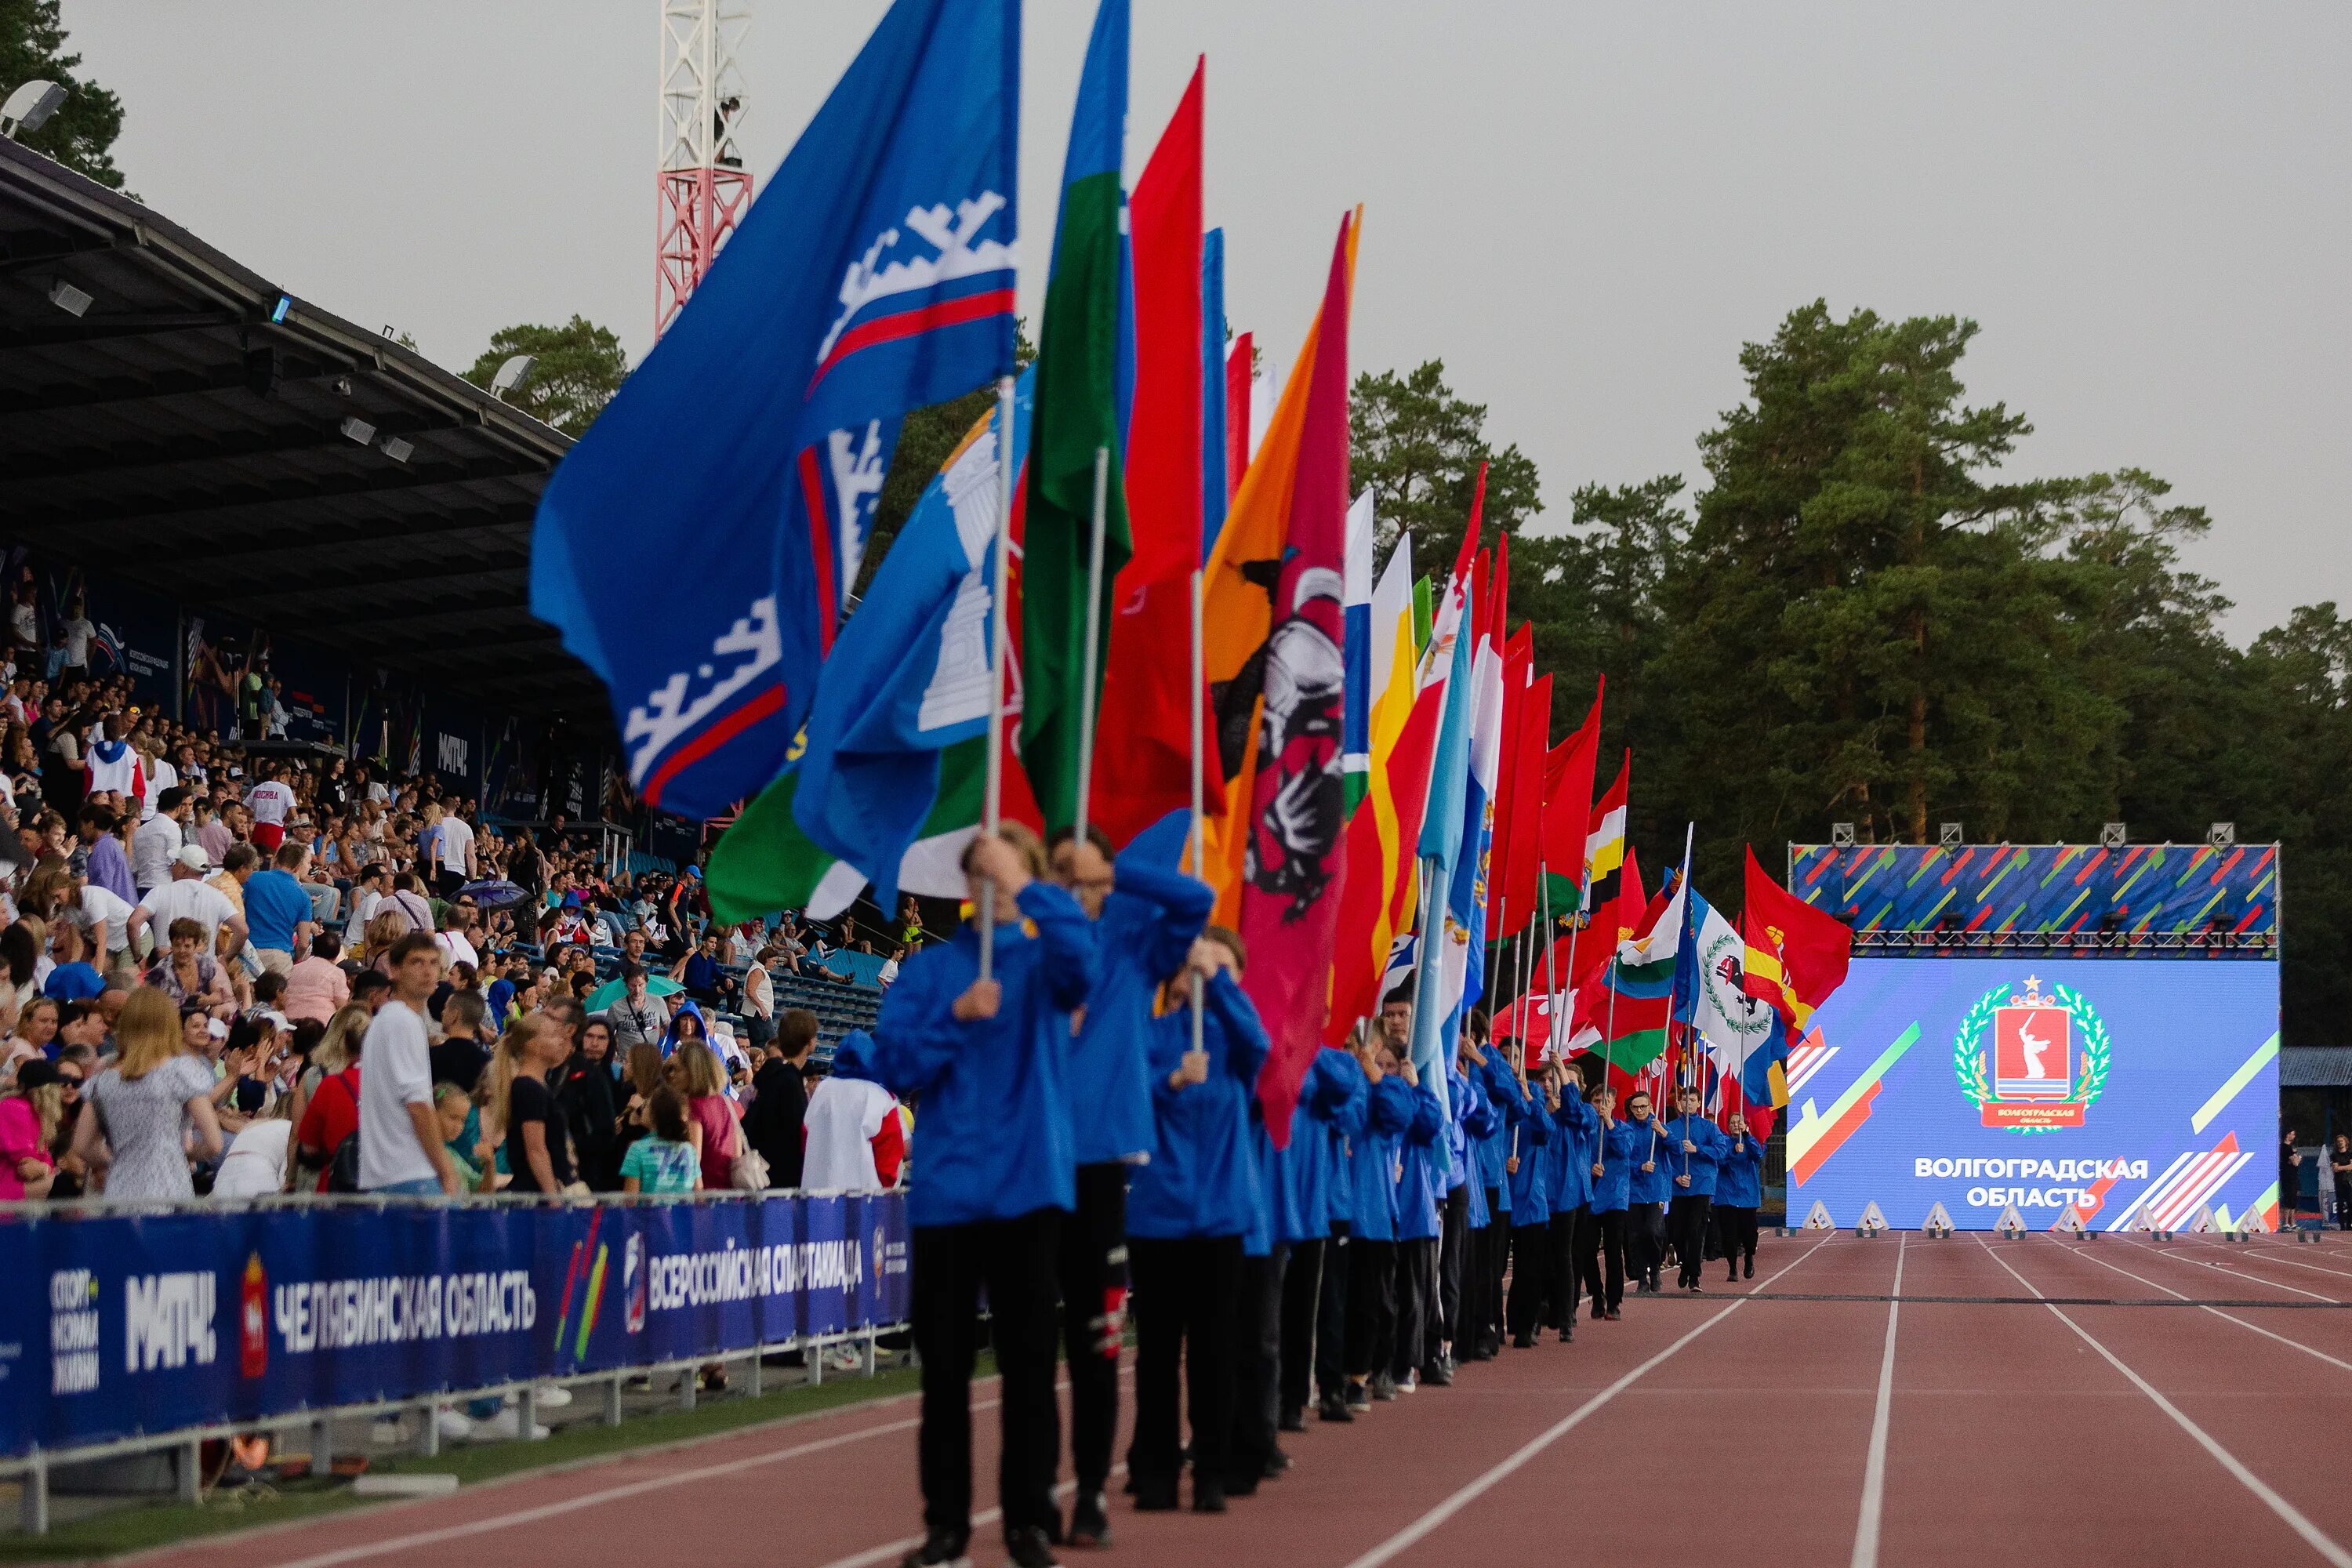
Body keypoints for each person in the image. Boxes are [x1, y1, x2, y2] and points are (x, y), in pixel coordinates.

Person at [866, 827, 1096, 1568]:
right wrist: (956, 1017)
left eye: (1007, 874)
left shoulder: (1043, 960)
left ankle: (1030, 1519)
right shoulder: (932, 971)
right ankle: (946, 1526)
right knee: (946, 1372)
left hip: (1030, 1186)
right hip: (950, 1194)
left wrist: (1030, 888)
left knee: (1030, 1365)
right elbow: (895, 1060)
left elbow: (1083, 968)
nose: (993, 886)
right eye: (983, 875)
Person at [1047, 823, 1212, 1544]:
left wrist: (1117, 876)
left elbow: (1195, 900)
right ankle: (1026, 1502)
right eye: (1061, 873)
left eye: (1082, 873)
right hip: (1031, 1167)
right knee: (1027, 1352)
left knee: (1097, 1345)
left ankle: (1088, 1496)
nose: (1074, 884)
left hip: (1103, 1167)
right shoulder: (1021, 951)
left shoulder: (1132, 944)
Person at [1124, 927, 1267, 1514]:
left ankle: (1211, 1470)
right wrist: (1172, 1079)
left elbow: (1260, 1044)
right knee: (1157, 1356)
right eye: (1186, 964)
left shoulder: (1232, 1041)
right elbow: (1127, 1096)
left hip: (1220, 1219)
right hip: (1158, 1217)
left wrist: (1222, 976)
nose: (1194, 973)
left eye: (1200, 964)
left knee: (1214, 1354)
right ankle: (1156, 1473)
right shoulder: (1151, 1035)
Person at [74, 987, 222, 1200]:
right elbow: (214, 1143)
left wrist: (117, 1159)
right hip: (170, 1189)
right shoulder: (181, 1071)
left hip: (120, 1191)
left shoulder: (103, 1079)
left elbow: (81, 1145)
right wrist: (185, 1153)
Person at [1343, 1030, 1414, 1408]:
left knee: (1375, 1303)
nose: (1380, 1070)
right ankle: (1338, 1374)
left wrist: (1373, 1072)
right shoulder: (1352, 1092)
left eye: (1389, 1065)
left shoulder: (1395, 1096)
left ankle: (1366, 1373)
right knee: (1341, 1302)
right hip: (1337, 1214)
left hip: (1374, 1215)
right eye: (1375, 1061)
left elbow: (1400, 1114)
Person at [358, 933, 459, 1196]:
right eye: (417, 962)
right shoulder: (403, 1021)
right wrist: (446, 1171)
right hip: (410, 1173)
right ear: (395, 970)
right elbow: (417, 1105)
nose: (427, 971)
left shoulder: (387, 1020)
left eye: (433, 963)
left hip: (387, 1174)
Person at [799, 1031, 906, 1192]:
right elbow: (890, 1158)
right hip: (864, 1200)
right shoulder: (881, 1097)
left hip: (817, 1194)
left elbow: (805, 1138)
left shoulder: (823, 1090)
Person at [503, 1014, 579, 1196]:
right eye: (553, 1035)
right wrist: (552, 1197)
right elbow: (536, 1150)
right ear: (533, 1044)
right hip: (536, 1194)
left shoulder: (539, 1085)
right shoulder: (528, 1087)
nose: (560, 1041)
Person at [1661, 1083, 1726, 1291]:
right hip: (1679, 1185)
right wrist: (1676, 1177)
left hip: (1702, 1185)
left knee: (1696, 1231)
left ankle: (1694, 1276)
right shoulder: (1670, 1127)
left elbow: (1721, 1150)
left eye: (1692, 1100)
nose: (1687, 1104)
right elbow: (1664, 1158)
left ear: (1698, 1103)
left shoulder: (1708, 1127)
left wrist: (1698, 1149)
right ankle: (1686, 1266)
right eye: (1684, 1100)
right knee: (1678, 1233)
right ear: (1679, 1103)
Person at [129, 846, 246, 961]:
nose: (172, 866)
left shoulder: (160, 892)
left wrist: (138, 958)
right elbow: (242, 930)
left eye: (176, 863)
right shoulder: (217, 896)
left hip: (165, 968)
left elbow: (133, 923)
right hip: (202, 969)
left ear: (184, 867)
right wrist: (226, 958)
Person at [743, 1007, 816, 1189]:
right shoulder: (790, 1082)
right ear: (809, 1042)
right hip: (781, 1181)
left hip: (766, 1173)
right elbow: (793, 1134)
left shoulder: (774, 1077)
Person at [1588, 1085, 1636, 1319]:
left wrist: (1609, 1123)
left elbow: (1623, 1151)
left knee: (1613, 1250)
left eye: (1605, 1102)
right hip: (1590, 1195)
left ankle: (1614, 1301)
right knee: (1586, 1250)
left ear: (1614, 1104)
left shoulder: (1624, 1130)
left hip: (1616, 1195)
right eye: (1597, 1102)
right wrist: (1590, 1169)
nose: (1601, 1106)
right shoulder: (1587, 1129)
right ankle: (1597, 1295)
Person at [243, 841, 317, 978]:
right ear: (297, 867)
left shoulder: (253, 878)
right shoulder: (303, 897)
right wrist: (297, 958)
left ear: (277, 859)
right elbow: (303, 943)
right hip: (279, 957)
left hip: (248, 951)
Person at [1622, 1088, 1670, 1293]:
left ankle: (1656, 1268)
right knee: (1635, 1235)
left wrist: (1664, 1134)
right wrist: (1639, 1166)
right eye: (1636, 1107)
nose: (1640, 1110)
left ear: (1651, 1107)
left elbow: (1677, 1150)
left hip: (1656, 1188)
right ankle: (1642, 1276)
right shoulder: (1626, 1130)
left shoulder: (1658, 1128)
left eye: (1643, 1106)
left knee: (1652, 1231)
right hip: (1634, 1189)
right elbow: (1621, 1157)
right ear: (1631, 1109)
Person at [620, 1085, 700, 1194]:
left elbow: (630, 1201)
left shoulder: (637, 1150)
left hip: (649, 1211)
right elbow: (699, 1192)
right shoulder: (690, 1150)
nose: (643, 1108)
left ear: (654, 1114)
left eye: (647, 1105)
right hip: (683, 1211)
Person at [0, 1058, 62, 1199]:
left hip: (19, 1192)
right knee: (62, 1185)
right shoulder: (13, 1107)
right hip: (7, 1191)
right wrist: (45, 1169)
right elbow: (27, 1166)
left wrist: (44, 1169)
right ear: (45, 1090)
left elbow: (44, 1161)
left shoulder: (36, 1113)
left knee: (65, 1183)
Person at [1715, 1118, 1766, 1279]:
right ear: (1728, 1126)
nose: (1736, 1125)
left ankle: (1749, 1257)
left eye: (1739, 1122)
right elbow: (1718, 1160)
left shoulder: (1751, 1142)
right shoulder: (1723, 1142)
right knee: (1729, 1234)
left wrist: (1746, 1136)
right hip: (1727, 1195)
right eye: (1732, 1123)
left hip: (1747, 1195)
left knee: (1750, 1233)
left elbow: (1758, 1154)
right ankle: (1732, 1268)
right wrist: (1732, 1152)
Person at [283, 929, 351, 1024]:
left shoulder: (294, 969)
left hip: (290, 1020)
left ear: (313, 950)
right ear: (336, 955)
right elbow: (341, 1005)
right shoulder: (337, 972)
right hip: (320, 1025)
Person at [430, 990, 492, 1091]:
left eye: (446, 1008)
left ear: (455, 1015)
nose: (443, 1012)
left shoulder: (433, 1056)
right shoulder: (486, 1063)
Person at [604, 964, 670, 1054]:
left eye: (640, 985)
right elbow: (607, 1033)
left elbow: (668, 1026)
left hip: (651, 1058)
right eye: (633, 986)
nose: (637, 990)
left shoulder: (658, 1002)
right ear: (626, 985)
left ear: (646, 984)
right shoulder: (616, 1007)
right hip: (626, 1060)